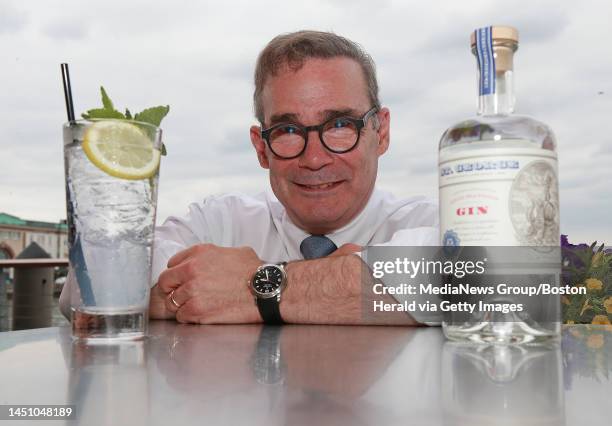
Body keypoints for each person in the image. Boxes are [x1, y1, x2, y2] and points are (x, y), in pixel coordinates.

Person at [61, 30, 439, 325]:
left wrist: (252, 289)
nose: (315, 157)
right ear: (261, 148)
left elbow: (489, 279)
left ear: (382, 132)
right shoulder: (219, 222)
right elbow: (88, 288)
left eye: (340, 125)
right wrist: (350, 288)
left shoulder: (428, 220)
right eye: (288, 130)